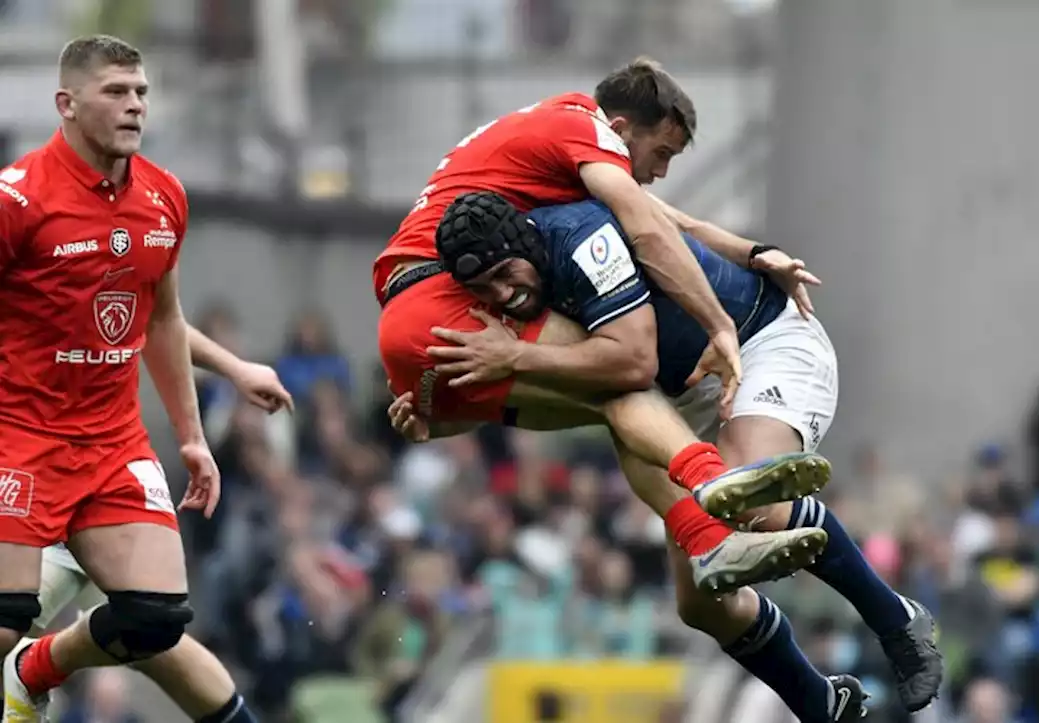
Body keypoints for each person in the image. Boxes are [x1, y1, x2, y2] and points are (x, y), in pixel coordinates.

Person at [412, 192, 945, 716]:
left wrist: (516, 357)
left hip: (758, 341)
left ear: (523, 242)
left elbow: (634, 359)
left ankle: (897, 619)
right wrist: (436, 418)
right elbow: (548, 399)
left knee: (745, 496)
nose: (504, 293)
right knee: (700, 605)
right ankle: (820, 701)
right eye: (485, 288)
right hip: (679, 392)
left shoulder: (582, 238)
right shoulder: (514, 293)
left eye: (508, 274)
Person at [376, 58, 836, 594]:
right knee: (627, 370)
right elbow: (646, 225)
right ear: (618, 129)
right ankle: (715, 493)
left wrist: (754, 252)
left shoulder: (549, 141)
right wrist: (719, 327)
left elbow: (669, 217)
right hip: (441, 294)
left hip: (408, 324)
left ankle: (707, 537)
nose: (660, 170)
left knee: (613, 404)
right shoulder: (582, 128)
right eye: (661, 152)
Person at [0, 35, 243, 722]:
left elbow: (161, 322)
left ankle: (34, 669)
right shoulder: (17, 200)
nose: (135, 105)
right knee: (7, 612)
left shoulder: (164, 197)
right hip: (20, 437)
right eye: (116, 91)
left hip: (112, 444)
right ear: (66, 104)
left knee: (154, 618)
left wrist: (192, 437)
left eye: (140, 92)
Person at [25, 324, 294, 721]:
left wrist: (233, 368)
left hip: (97, 469)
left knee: (152, 622)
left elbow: (154, 316)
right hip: (24, 468)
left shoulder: (121, 270)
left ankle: (32, 667)